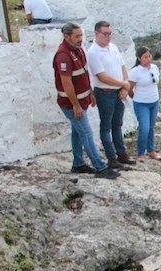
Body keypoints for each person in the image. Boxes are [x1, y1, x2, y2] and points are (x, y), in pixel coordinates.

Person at [53, 22, 120, 179]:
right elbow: (66, 82)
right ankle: (100, 167)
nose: (80, 39)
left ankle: (78, 163)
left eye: (81, 35)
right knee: (86, 133)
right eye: (76, 36)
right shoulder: (63, 55)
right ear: (66, 36)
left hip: (81, 101)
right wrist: (75, 105)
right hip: (71, 104)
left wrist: (89, 92)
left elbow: (83, 74)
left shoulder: (78, 50)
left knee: (78, 132)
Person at [88, 21, 135, 169]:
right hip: (104, 93)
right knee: (106, 126)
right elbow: (102, 77)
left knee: (117, 124)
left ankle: (121, 154)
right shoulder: (93, 52)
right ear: (96, 34)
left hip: (117, 92)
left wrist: (125, 87)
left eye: (110, 34)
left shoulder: (113, 47)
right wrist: (123, 84)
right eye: (105, 34)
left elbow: (123, 68)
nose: (108, 37)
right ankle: (111, 157)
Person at [128, 46, 161, 162]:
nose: (148, 59)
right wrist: (135, 97)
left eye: (149, 56)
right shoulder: (135, 72)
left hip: (154, 101)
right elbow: (130, 88)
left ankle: (151, 150)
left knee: (151, 127)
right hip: (141, 103)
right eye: (145, 57)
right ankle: (141, 153)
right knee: (144, 127)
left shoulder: (154, 68)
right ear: (139, 58)